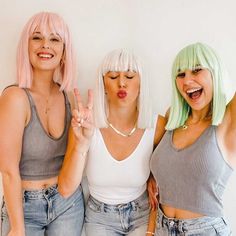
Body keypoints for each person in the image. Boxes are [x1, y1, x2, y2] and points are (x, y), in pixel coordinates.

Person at [58, 48, 166, 236]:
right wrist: (81, 145)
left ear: (141, 83)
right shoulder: (87, 123)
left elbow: (167, 186)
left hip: (142, 213)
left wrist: (150, 230)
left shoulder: (156, 126)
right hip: (100, 218)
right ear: (103, 84)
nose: (122, 83)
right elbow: (66, 189)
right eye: (113, 77)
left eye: (130, 77)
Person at [0, 12, 84, 236]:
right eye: (36, 37)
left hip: (68, 203)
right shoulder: (15, 98)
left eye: (55, 39)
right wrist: (17, 227)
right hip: (24, 206)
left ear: (64, 52)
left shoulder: (69, 97)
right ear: (26, 47)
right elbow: (8, 171)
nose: (45, 45)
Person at [150, 42, 235, 235]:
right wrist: (151, 176)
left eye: (196, 70)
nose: (187, 80)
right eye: (181, 74)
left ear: (215, 73)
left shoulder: (228, 120)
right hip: (163, 227)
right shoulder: (172, 118)